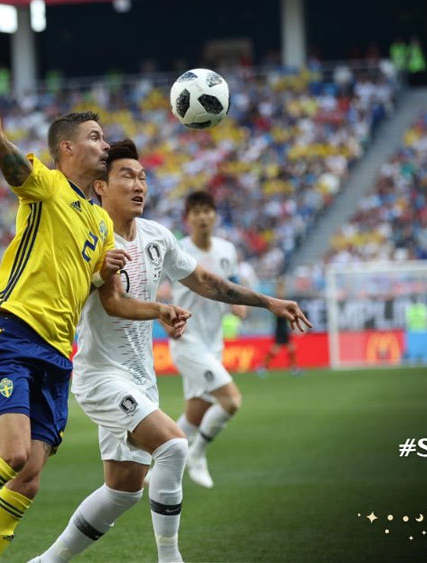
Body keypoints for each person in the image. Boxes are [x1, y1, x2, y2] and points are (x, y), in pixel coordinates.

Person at [0, 28, 187, 563]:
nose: (105, 145)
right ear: (67, 148)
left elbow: (111, 302)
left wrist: (158, 308)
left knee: (30, 478)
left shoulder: (101, 227)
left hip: (58, 355)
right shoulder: (43, 185)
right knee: (13, 456)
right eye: (96, 138)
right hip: (15, 335)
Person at [31, 141, 311, 562]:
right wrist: (161, 309)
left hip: (141, 377)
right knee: (175, 446)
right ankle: (170, 557)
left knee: (123, 490)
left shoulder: (157, 237)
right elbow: (113, 302)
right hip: (101, 375)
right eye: (127, 176)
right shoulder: (90, 238)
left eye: (143, 177)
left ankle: (46, 562)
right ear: (101, 187)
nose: (139, 185)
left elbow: (206, 281)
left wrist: (268, 302)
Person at [164, 192, 249, 488]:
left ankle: (159, 467)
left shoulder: (227, 250)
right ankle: (197, 454)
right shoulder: (177, 250)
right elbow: (153, 289)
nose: (202, 217)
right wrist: (162, 318)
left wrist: (238, 305)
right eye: (196, 212)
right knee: (231, 401)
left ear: (215, 215)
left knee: (195, 413)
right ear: (187, 219)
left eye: (207, 211)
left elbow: (231, 285)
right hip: (187, 340)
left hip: (214, 342)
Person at [257, 278, 300, 376]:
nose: (283, 290)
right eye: (282, 288)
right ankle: (262, 366)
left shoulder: (281, 301)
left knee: (291, 348)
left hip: (283, 328)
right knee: (276, 350)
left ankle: (293, 368)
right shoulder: (278, 302)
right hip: (280, 328)